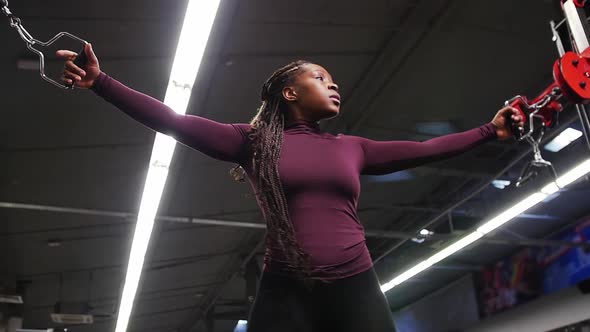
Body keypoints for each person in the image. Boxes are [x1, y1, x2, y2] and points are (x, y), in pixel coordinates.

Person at [57, 44, 524, 332]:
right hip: (286, 288)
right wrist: (101, 83)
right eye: (320, 77)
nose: (333, 84)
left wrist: (490, 131)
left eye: (334, 79)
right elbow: (173, 122)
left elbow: (426, 150)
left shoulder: (353, 148)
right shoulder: (251, 143)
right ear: (290, 93)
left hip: (355, 284)